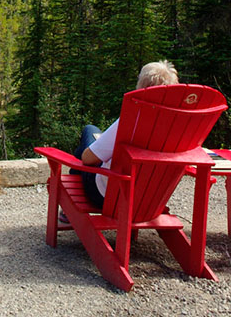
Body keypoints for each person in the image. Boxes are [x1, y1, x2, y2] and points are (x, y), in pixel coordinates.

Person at [67, 60, 179, 213]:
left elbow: (88, 159)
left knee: (89, 130)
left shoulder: (133, 119)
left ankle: (68, 209)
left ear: (142, 87)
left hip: (107, 195)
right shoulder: (180, 126)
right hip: (150, 200)